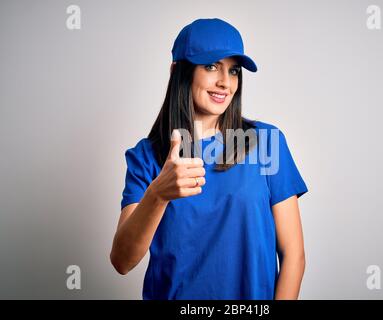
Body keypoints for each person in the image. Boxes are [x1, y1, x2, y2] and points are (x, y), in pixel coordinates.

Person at [110, 18, 309, 300]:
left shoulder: (267, 142)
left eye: (234, 71)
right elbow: (122, 261)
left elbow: (294, 256)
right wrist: (157, 195)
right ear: (178, 71)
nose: (225, 82)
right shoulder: (147, 156)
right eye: (211, 66)